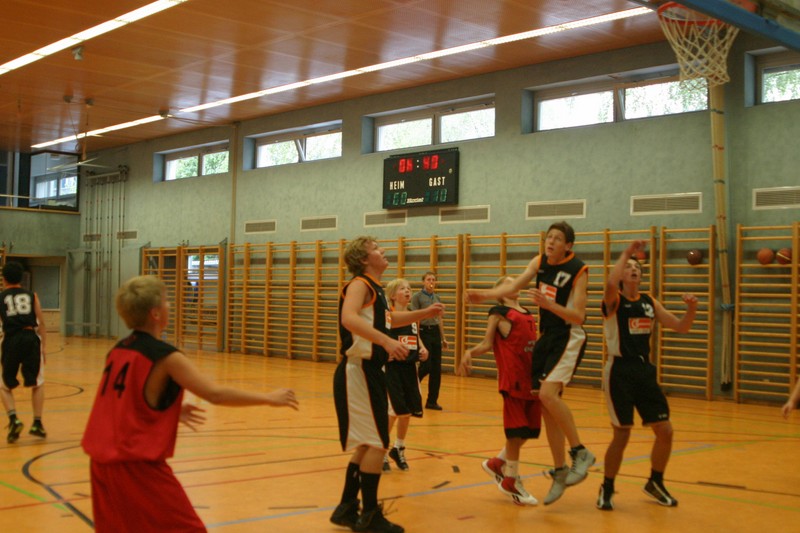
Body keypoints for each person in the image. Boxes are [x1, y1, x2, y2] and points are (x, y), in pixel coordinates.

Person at [81, 275, 299, 532]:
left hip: (100, 463)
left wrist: (169, 410)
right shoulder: (167, 357)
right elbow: (215, 394)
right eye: (166, 301)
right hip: (135, 465)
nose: (170, 305)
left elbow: (121, 403)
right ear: (155, 313)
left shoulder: (118, 349)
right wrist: (268, 398)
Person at [465, 221, 594, 505]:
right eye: (549, 237)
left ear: (568, 246)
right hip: (547, 338)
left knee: (547, 395)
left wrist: (549, 306)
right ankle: (560, 469)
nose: (551, 242)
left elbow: (579, 316)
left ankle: (580, 452)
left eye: (557, 239)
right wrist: (483, 295)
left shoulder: (579, 270)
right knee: (546, 404)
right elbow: (513, 285)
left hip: (568, 335)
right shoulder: (539, 262)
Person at [331, 236, 444, 533]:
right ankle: (369, 514)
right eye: (376, 249)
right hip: (359, 369)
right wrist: (385, 341)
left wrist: (425, 313)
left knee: (369, 443)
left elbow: (390, 320)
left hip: (368, 371)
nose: (383, 251)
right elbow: (348, 318)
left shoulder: (377, 290)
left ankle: (346, 508)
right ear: (364, 259)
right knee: (379, 442)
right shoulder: (360, 285)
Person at [597, 240, 697, 511]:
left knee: (665, 430)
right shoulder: (614, 301)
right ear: (621, 274)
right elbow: (610, 283)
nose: (633, 270)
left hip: (643, 370)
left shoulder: (649, 302)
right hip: (619, 371)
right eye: (628, 267)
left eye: (637, 267)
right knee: (622, 434)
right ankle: (607, 487)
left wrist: (691, 309)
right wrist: (626, 253)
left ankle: (655, 482)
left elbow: (681, 327)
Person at [459, 276, 541, 506]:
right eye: (508, 282)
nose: (515, 284)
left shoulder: (528, 312)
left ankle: (497, 463)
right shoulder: (499, 313)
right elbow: (487, 343)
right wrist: (469, 352)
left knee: (529, 431)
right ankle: (510, 480)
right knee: (516, 432)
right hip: (513, 380)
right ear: (499, 291)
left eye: (516, 281)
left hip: (532, 380)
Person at [383, 278, 428, 472]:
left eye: (409, 288)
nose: (408, 291)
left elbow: (415, 337)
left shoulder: (412, 315)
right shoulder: (387, 315)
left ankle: (398, 448)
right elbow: (378, 337)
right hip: (392, 368)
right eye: (403, 288)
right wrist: (383, 352)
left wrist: (423, 348)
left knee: (407, 411)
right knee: (393, 411)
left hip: (410, 368)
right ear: (393, 295)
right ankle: (382, 450)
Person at [1, 261, 48, 443]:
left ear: (4, 279)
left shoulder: (1, 297)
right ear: (21, 278)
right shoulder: (31, 295)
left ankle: (13, 419)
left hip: (11, 339)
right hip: (30, 338)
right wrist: (44, 347)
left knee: (4, 385)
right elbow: (41, 323)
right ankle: (37, 423)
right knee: (38, 383)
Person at [411, 271, 448, 410]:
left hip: (435, 333)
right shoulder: (417, 297)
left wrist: (443, 338)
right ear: (423, 282)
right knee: (426, 366)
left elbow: (439, 319)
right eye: (428, 279)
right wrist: (416, 335)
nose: (431, 282)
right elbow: (414, 316)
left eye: (433, 279)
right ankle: (411, 386)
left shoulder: (437, 297)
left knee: (436, 369)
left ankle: (432, 401)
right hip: (423, 331)